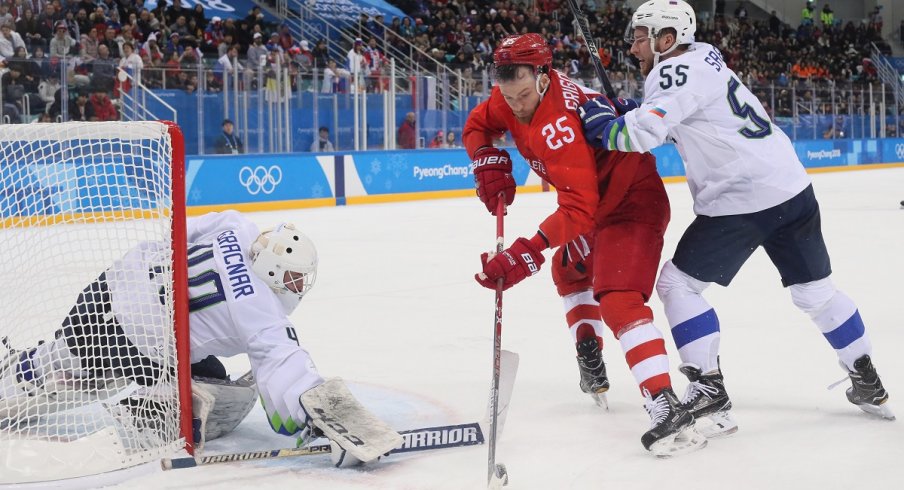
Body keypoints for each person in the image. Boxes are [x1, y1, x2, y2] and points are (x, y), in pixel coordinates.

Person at [578, 0, 894, 438]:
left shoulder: (670, 72)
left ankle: (709, 388)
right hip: (791, 187)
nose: (633, 46)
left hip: (741, 199)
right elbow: (686, 118)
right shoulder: (704, 56)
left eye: (640, 36)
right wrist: (638, 107)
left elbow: (640, 135)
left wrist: (601, 125)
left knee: (675, 284)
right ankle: (867, 377)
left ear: (666, 40)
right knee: (816, 293)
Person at [464, 33, 704, 457]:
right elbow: (478, 124)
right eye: (508, 96)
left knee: (618, 299)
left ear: (543, 77)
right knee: (569, 271)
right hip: (596, 205)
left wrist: (529, 248)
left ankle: (664, 402)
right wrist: (484, 156)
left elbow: (578, 210)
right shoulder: (510, 97)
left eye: (523, 95)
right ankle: (589, 352)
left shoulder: (559, 126)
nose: (516, 107)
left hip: (632, 203)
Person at [0, 211, 402, 465]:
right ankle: (155, 404)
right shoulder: (260, 309)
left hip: (114, 282)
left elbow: (180, 229)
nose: (297, 286)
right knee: (68, 365)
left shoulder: (239, 227)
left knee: (208, 371)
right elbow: (283, 368)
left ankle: (33, 367)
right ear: (275, 271)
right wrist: (314, 420)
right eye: (294, 277)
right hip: (133, 338)